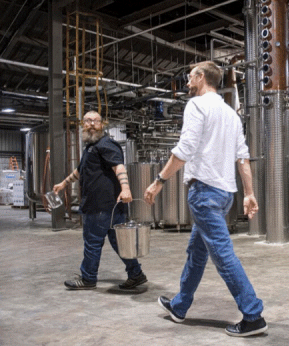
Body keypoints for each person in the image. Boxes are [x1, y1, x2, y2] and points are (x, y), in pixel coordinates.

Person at [144, 61, 267, 337]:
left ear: (201, 77)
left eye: (190, 77)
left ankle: (253, 315)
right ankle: (180, 305)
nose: (187, 82)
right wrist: (248, 193)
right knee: (197, 252)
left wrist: (158, 181)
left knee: (223, 255)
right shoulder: (231, 115)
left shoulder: (197, 106)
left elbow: (184, 149)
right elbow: (242, 157)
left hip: (205, 194)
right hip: (224, 195)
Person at [53, 111, 147, 290]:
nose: (91, 124)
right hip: (109, 208)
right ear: (83, 124)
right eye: (87, 121)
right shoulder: (90, 147)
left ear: (102, 124)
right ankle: (136, 274)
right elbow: (80, 171)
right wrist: (63, 184)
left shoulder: (106, 144)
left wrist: (126, 188)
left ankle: (88, 279)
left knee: (92, 242)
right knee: (119, 242)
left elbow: (119, 167)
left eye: (95, 121)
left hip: (100, 206)